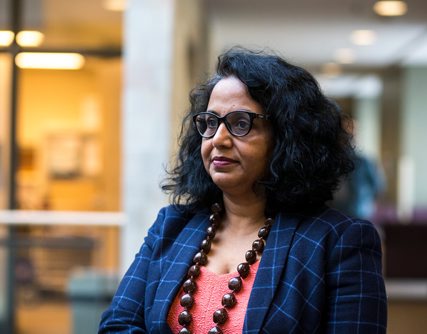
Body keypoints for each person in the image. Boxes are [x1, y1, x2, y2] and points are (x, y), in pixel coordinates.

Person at [99, 47, 387, 333]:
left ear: (287, 137)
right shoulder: (171, 227)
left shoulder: (339, 242)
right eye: (211, 123)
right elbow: (117, 325)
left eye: (241, 123)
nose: (218, 139)